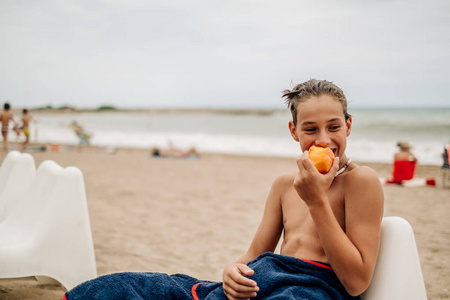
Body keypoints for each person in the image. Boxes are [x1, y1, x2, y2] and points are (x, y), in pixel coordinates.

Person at [64, 79, 384, 300]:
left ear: (349, 125)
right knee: (129, 286)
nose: (324, 140)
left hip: (310, 289)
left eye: (334, 126)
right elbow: (255, 252)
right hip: (263, 278)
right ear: (293, 131)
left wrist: (316, 202)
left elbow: (355, 282)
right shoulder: (285, 185)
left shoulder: (360, 182)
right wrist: (233, 268)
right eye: (310, 129)